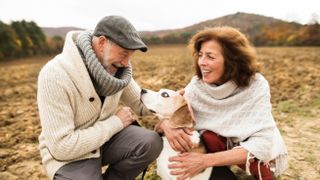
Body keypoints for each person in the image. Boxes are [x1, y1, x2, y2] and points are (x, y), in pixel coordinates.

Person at [37, 15, 163, 180]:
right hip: (71, 156)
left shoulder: (118, 72)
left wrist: (174, 107)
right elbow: (62, 147)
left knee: (151, 142)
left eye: (130, 56)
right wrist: (116, 123)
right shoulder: (55, 75)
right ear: (102, 43)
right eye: (124, 53)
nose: (126, 63)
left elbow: (141, 104)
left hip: (106, 142)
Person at [158, 26, 288, 180]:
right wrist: (166, 124)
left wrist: (204, 161)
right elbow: (168, 118)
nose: (202, 63)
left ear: (232, 60)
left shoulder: (256, 84)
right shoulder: (196, 85)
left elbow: (263, 142)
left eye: (210, 57)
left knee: (259, 153)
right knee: (208, 136)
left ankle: (264, 175)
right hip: (221, 144)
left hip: (247, 144)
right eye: (200, 55)